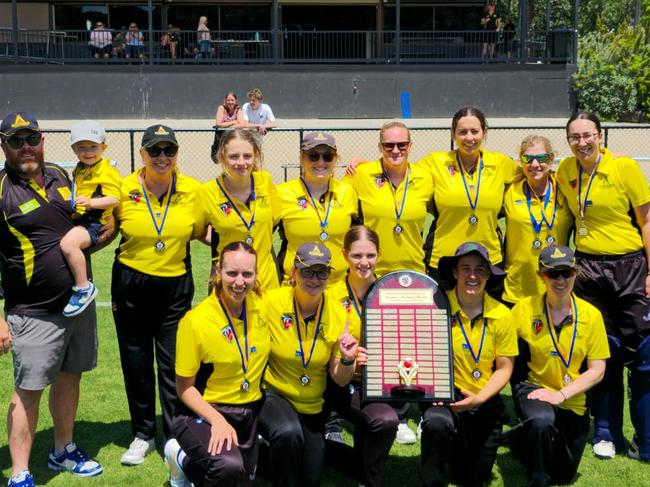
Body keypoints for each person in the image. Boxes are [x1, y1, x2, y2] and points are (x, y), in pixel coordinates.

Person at [0, 112, 106, 487]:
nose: (25, 146)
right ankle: (20, 472)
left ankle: (63, 449)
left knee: (69, 377)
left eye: (31, 138)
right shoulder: (1, 190)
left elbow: (86, 225)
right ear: (4, 146)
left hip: (77, 303)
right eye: (16, 141)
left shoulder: (61, 175)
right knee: (28, 390)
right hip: (33, 311)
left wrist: (99, 234)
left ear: (43, 141)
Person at [555, 111, 650, 461]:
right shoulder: (566, 170)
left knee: (643, 354)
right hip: (589, 268)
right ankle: (607, 432)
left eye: (588, 135)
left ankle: (645, 436)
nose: (582, 143)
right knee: (602, 352)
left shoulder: (624, 168)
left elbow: (647, 220)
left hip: (630, 265)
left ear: (601, 136)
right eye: (575, 137)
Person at [112, 125, 201, 466]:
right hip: (131, 281)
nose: (162, 157)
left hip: (175, 284)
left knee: (172, 363)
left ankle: (176, 433)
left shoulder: (193, 188)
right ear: (142, 154)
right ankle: (143, 433)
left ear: (177, 153)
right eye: (155, 150)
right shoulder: (123, 187)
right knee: (135, 360)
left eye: (169, 150)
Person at [165, 241, 271, 487]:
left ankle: (185, 460)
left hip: (246, 410)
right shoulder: (195, 321)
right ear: (218, 272)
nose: (239, 281)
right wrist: (216, 420)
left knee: (241, 478)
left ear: (256, 275)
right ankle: (180, 455)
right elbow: (184, 389)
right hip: (203, 410)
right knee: (228, 467)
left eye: (247, 274)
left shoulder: (262, 308)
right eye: (231, 273)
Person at [258, 242, 358, 487]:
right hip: (275, 394)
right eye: (307, 272)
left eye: (321, 272)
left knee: (310, 477)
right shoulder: (270, 302)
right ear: (293, 272)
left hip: (313, 405)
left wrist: (346, 358)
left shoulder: (340, 316)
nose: (314, 279)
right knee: (287, 433)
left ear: (330, 274)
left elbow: (341, 379)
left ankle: (262, 452)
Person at [509, 245, 609, 487]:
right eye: (554, 274)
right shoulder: (524, 309)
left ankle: (521, 440)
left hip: (572, 399)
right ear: (542, 276)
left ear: (576, 274)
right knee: (542, 421)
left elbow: (598, 369)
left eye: (567, 273)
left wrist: (561, 394)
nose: (561, 280)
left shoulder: (591, 315)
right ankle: (537, 478)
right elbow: (497, 349)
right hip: (536, 389)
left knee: (563, 476)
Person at [419, 242, 516, 486]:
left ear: (487, 274)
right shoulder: (435, 306)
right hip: (445, 398)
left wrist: (479, 399)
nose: (472, 276)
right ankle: (433, 479)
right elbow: (419, 355)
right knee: (436, 422)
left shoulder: (502, 314)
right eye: (465, 269)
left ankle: (458, 456)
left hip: (484, 398)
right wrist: (434, 390)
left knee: (473, 478)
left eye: (480, 270)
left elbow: (505, 367)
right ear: (455, 272)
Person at [418, 106, 519, 296]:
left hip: (488, 259)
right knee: (446, 320)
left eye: (475, 131)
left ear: (484, 133)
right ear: (453, 134)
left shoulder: (500, 163)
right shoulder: (435, 162)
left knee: (487, 319)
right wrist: (362, 165)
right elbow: (403, 172)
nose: (469, 138)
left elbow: (532, 175)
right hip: (444, 259)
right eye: (462, 132)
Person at [326, 225, 399, 487]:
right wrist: (349, 357)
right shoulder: (330, 294)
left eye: (370, 255)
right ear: (345, 255)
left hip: (377, 383)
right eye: (357, 256)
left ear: (379, 254)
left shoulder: (391, 293)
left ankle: (369, 481)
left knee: (386, 421)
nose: (364, 262)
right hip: (334, 380)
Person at [344, 121, 434, 277]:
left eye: (402, 145)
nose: (395, 150)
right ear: (380, 147)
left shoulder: (425, 177)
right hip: (371, 271)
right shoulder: (361, 174)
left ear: (410, 146)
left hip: (414, 270)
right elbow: (333, 194)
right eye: (389, 145)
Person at [195, 128, 279, 291]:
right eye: (234, 156)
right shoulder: (207, 192)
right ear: (222, 157)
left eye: (247, 156)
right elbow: (198, 231)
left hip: (267, 284)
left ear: (256, 155)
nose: (241, 162)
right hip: (231, 285)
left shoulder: (265, 181)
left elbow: (273, 221)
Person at [273, 132, 357, 284]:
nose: (320, 162)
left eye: (327, 156)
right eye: (313, 156)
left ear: (336, 159)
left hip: (339, 286)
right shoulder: (281, 193)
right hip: (295, 286)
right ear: (301, 158)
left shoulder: (348, 191)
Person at [502, 135, 572, 306]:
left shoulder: (565, 186)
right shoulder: (510, 189)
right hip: (517, 287)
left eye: (541, 158)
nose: (534, 164)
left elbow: (588, 166)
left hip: (557, 285)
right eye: (527, 158)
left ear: (552, 158)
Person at [59, 120, 120, 317]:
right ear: (74, 149)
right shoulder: (79, 168)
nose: (88, 151)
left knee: (69, 245)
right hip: (80, 218)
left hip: (94, 223)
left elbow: (114, 198)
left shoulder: (107, 170)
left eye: (93, 146)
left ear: (104, 146)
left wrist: (91, 203)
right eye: (82, 147)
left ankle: (84, 287)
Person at [211, 92, 243, 163]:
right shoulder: (221, 108)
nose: (230, 102)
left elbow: (241, 124)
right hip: (220, 141)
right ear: (225, 101)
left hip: (233, 141)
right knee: (221, 161)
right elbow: (218, 124)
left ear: (236, 101)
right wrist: (234, 122)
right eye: (228, 100)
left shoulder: (238, 109)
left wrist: (225, 125)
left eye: (232, 100)